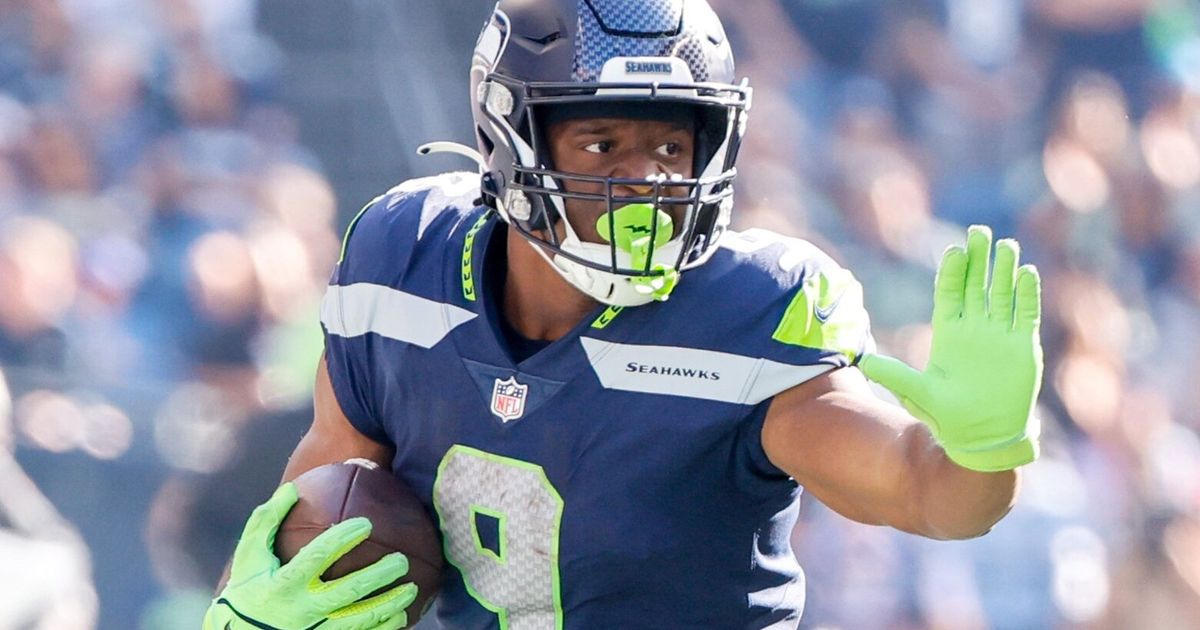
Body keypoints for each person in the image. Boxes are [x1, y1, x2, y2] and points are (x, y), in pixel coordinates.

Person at [203, 0, 1044, 628]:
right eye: (603, 144)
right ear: (513, 138)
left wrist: (979, 451)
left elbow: (928, 497)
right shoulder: (403, 262)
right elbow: (313, 527)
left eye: (671, 146)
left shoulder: (747, 312)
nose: (645, 180)